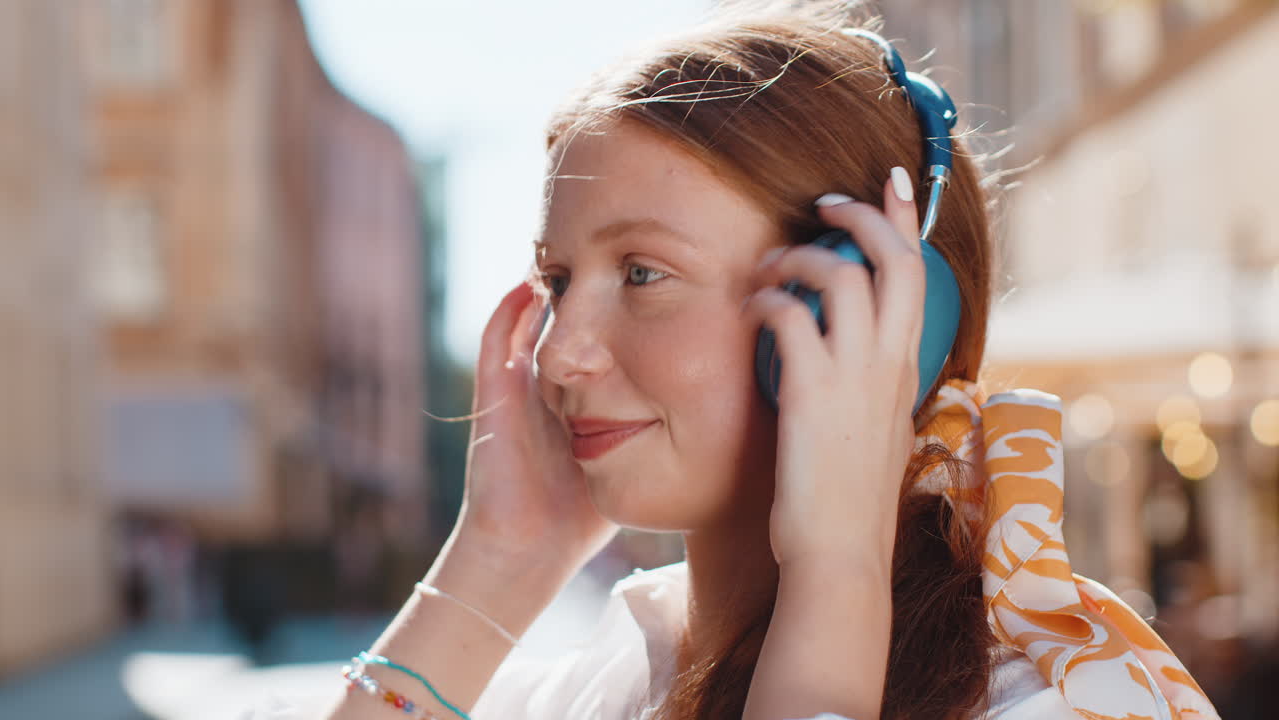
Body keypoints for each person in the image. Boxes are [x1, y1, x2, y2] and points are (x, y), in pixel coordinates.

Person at [246, 3, 1222, 719]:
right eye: (554, 279)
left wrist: (834, 569)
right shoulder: (608, 679)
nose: (557, 352)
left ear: (875, 312)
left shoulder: (1050, 701)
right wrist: (499, 561)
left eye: (640, 271)